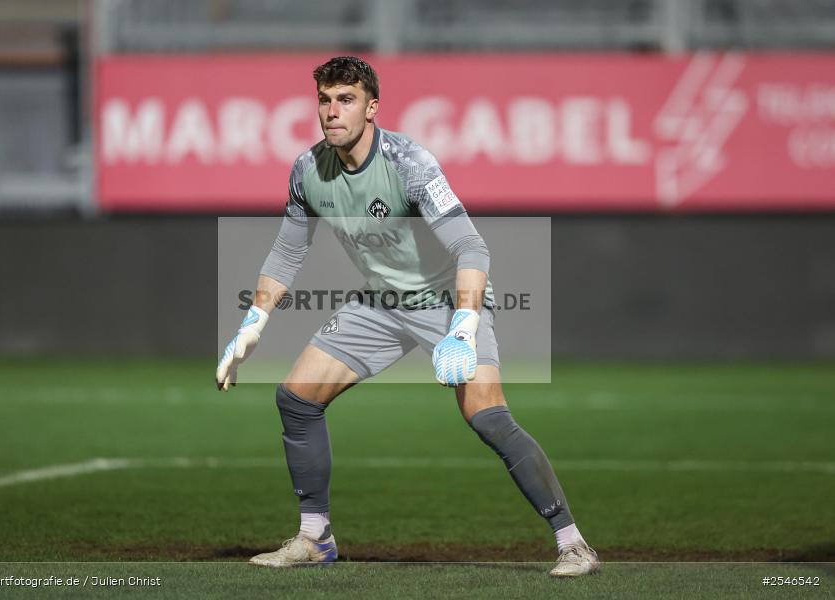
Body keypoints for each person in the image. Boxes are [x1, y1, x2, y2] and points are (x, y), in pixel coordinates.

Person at [216, 56, 599, 577]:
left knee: (487, 416)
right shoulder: (308, 170)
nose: (332, 112)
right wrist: (251, 325)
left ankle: (573, 544)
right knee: (297, 397)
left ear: (372, 107)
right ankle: (315, 537)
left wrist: (462, 328)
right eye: (325, 101)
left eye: (345, 100)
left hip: (447, 301)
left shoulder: (409, 162)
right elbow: (287, 253)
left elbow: (471, 247)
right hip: (380, 303)